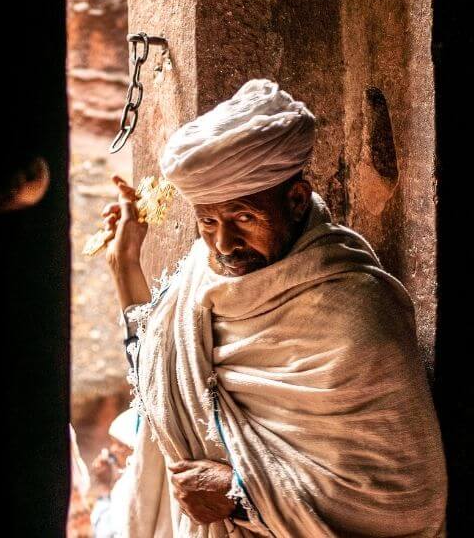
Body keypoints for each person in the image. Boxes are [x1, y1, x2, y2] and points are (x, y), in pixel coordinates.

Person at [100, 79, 447, 537]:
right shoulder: (200, 276)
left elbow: (403, 501)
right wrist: (125, 267)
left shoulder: (356, 313)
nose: (223, 243)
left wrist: (241, 491)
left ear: (297, 199)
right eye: (207, 221)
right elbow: (157, 380)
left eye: (244, 217)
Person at [90, 409, 140, 538]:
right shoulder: (127, 480)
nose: (112, 449)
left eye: (119, 444)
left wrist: (105, 487)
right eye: (112, 443)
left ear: (137, 447)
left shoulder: (130, 485)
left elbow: (104, 533)